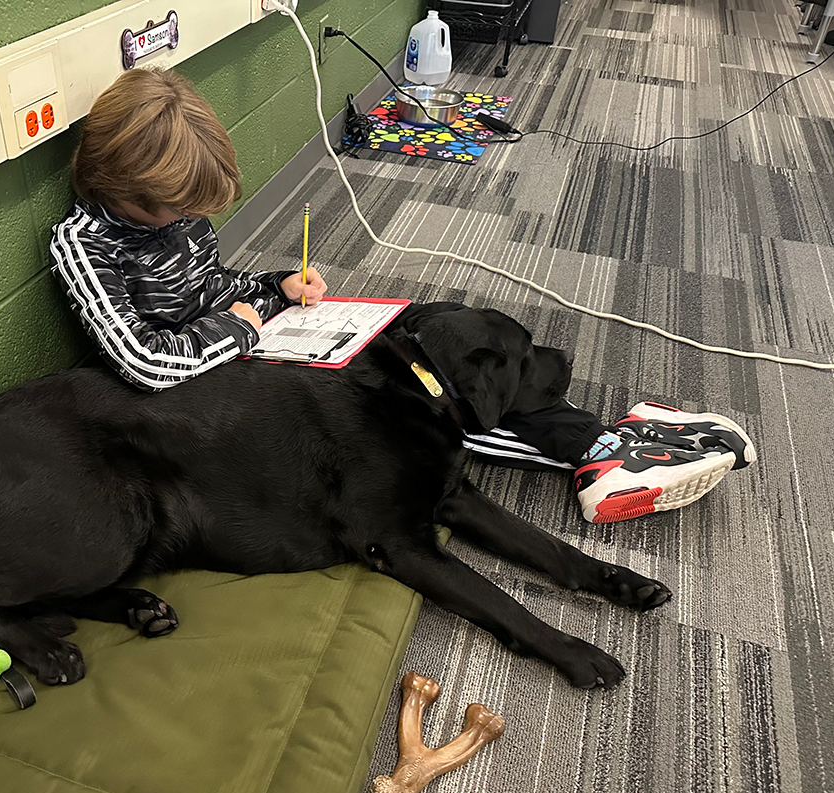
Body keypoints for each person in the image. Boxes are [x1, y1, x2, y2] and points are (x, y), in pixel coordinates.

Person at [49, 67, 755, 525]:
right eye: (168, 215)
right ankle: (598, 452)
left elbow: (214, 290)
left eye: (190, 215)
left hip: (240, 349)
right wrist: (238, 331)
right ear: (115, 186)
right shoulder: (82, 244)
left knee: (417, 336)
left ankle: (603, 429)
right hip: (193, 396)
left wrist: (273, 288)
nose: (183, 226)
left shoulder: (176, 215)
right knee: (405, 398)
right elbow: (142, 362)